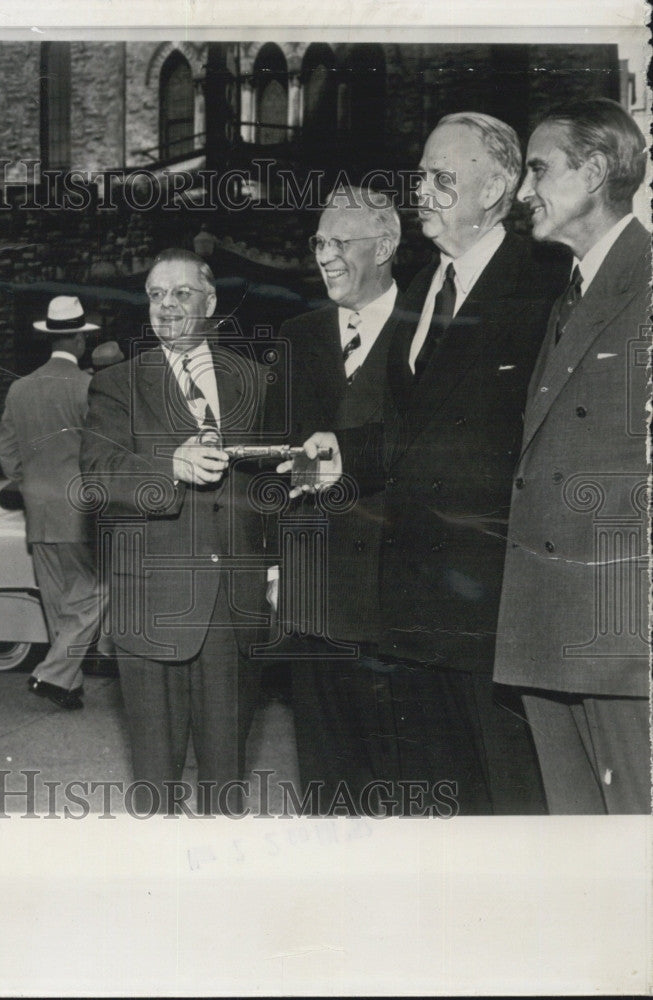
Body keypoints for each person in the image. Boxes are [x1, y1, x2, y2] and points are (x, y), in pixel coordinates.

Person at [290, 113, 567, 814]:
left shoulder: (541, 283)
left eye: (444, 179)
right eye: (421, 176)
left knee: (505, 794)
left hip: (489, 598)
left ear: (498, 187)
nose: (423, 192)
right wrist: (341, 455)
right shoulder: (419, 292)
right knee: (438, 796)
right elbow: (412, 432)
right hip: (412, 601)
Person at [493, 98, 651, 814]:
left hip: (614, 631)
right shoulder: (573, 289)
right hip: (549, 613)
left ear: (591, 173)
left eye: (537, 169)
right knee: (580, 834)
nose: (523, 191)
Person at [80, 249, 268, 815]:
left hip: (233, 607)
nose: (166, 307)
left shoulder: (255, 381)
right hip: (154, 605)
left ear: (209, 302)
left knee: (224, 786)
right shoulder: (117, 385)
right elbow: (97, 479)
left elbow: (269, 488)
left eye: (181, 294)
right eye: (156, 295)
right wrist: (169, 467)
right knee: (156, 792)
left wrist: (279, 564)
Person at [269, 186, 406, 811]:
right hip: (312, 592)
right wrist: (273, 562)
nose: (323, 255)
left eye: (338, 242)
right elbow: (273, 464)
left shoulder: (430, 329)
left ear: (385, 246)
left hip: (397, 596)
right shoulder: (297, 337)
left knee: (404, 781)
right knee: (326, 785)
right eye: (318, 242)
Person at [0, 296, 102, 710]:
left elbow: (8, 454)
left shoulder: (19, 388)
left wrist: (32, 485)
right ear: (78, 340)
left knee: (57, 601)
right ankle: (52, 674)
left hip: (37, 512)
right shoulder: (88, 387)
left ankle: (67, 683)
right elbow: (100, 450)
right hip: (80, 510)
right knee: (98, 589)